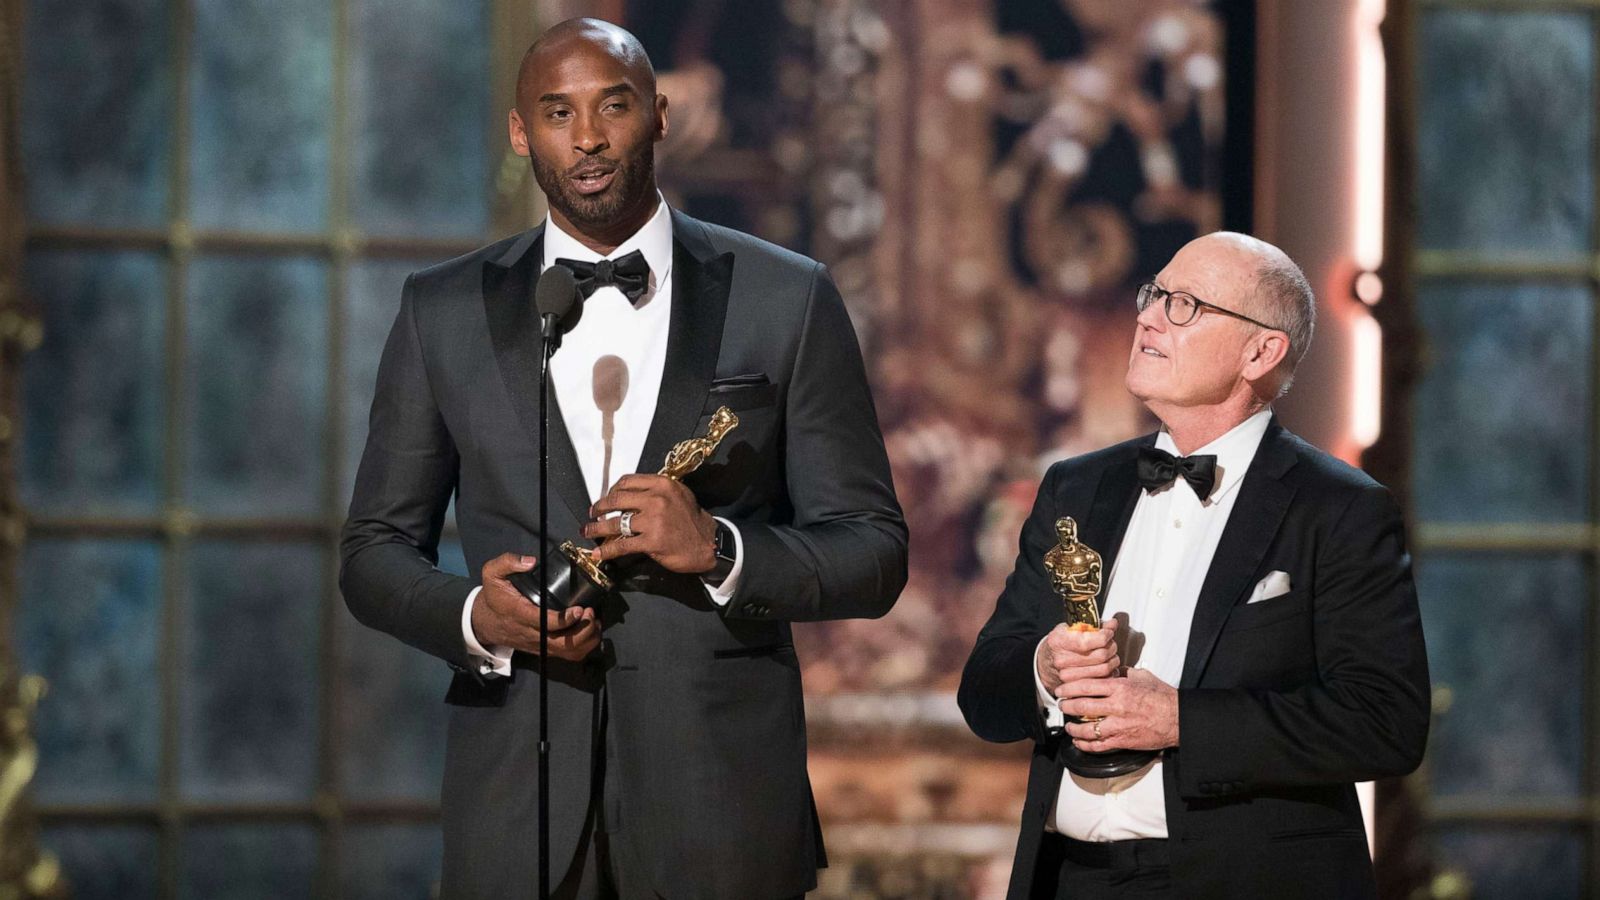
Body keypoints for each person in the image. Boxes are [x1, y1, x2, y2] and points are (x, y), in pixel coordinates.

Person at [340, 18, 907, 898]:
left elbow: (873, 551)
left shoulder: (786, 296)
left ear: (661, 114)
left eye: (614, 106)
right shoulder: (442, 310)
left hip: (721, 810)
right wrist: (477, 620)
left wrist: (721, 550)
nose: (591, 138)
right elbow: (372, 554)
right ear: (521, 132)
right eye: (559, 114)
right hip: (515, 811)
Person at [958, 232, 1429, 899]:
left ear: (1261, 351)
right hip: (1069, 880)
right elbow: (983, 694)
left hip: (1245, 880)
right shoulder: (1075, 488)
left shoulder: (1340, 509)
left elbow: (1385, 723)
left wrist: (1181, 719)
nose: (1147, 316)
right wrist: (1044, 670)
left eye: (1186, 305)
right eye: (1154, 294)